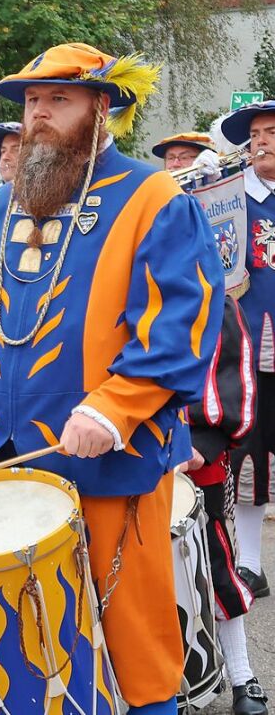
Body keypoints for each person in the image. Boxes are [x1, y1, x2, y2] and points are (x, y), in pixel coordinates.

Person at [0, 43, 224, 715]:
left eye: (57, 99)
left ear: (100, 107)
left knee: (132, 651)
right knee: (16, 651)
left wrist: (114, 408)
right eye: (31, 103)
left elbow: (181, 324)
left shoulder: (153, 197)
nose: (39, 115)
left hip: (110, 456)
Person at [184, 296, 268, 715]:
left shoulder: (208, 300)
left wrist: (202, 443)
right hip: (128, 457)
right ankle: (166, 686)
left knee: (216, 562)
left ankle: (241, 673)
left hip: (198, 459)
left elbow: (230, 373)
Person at [218, 100, 275, 600]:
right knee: (252, 459)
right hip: (254, 344)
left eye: (272, 131)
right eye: (256, 133)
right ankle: (252, 564)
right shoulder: (233, 199)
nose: (263, 140)